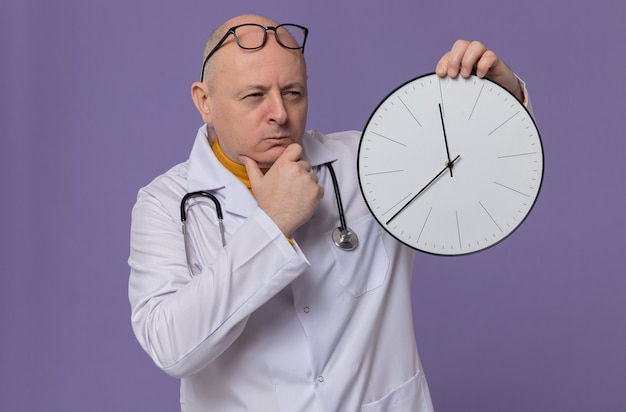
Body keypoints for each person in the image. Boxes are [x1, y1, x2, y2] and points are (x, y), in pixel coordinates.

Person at [128, 13, 530, 412]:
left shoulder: (368, 163)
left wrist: (501, 99)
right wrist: (272, 225)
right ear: (205, 101)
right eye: (254, 96)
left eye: (293, 93)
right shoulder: (165, 205)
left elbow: (485, 168)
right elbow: (173, 349)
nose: (280, 114)